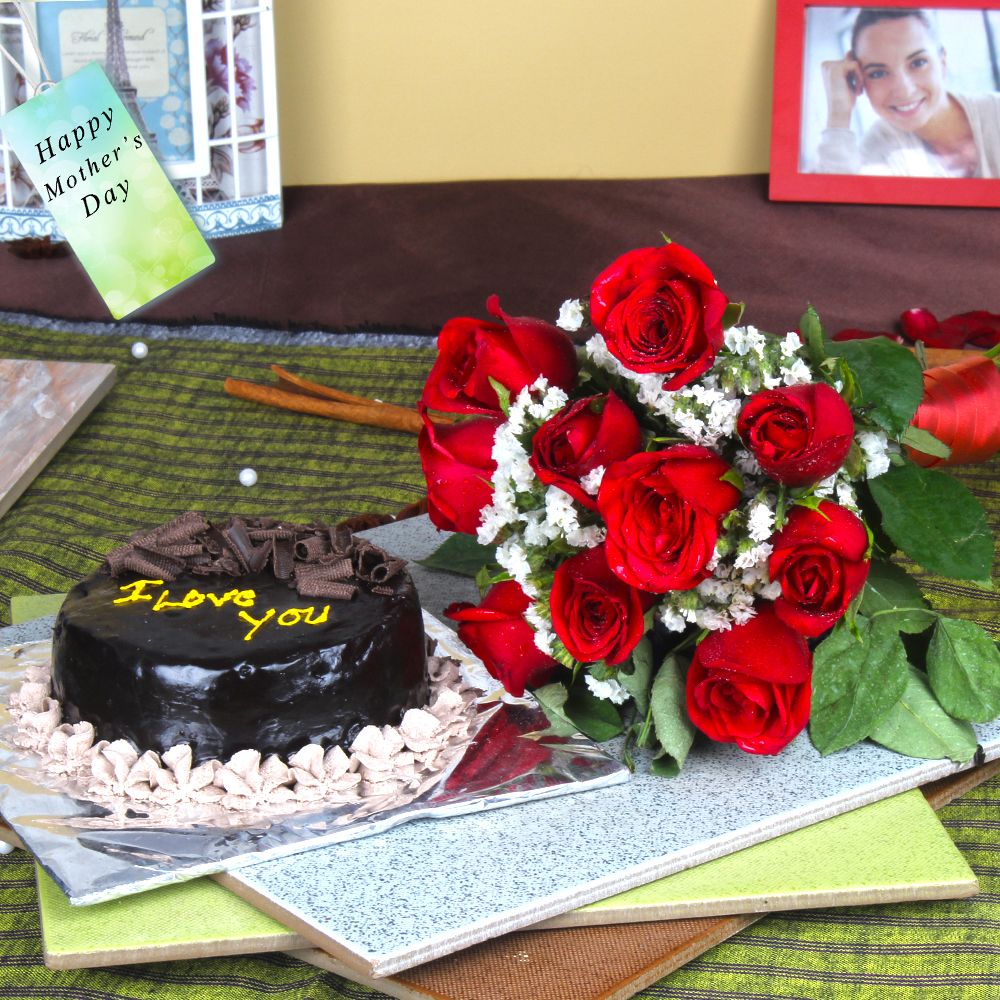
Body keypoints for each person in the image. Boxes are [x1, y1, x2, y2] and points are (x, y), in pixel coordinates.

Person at [815, 8, 1000, 177]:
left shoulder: (995, 111)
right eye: (878, 73)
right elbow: (832, 207)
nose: (904, 90)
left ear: (942, 62)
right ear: (858, 80)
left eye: (918, 63)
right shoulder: (880, 147)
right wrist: (838, 113)